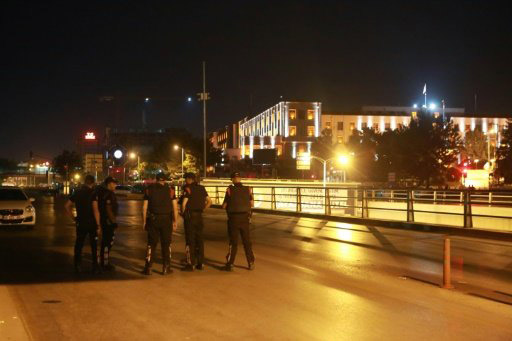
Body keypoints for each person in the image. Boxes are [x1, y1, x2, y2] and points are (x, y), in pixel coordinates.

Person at [142, 173, 179, 275]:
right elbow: (175, 208)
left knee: (151, 244)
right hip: (166, 220)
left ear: (156, 179)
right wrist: (175, 221)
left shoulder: (149, 189)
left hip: (153, 219)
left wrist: (144, 221)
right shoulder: (170, 190)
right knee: (166, 244)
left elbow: (144, 207)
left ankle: (148, 268)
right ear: (165, 180)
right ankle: (166, 267)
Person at [64, 175, 101, 274]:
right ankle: (95, 267)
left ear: (85, 182)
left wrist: (73, 218)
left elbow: (67, 206)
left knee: (79, 244)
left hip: (80, 222)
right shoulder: (93, 193)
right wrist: (98, 225)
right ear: (93, 183)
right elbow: (95, 209)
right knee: (94, 245)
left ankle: (77, 265)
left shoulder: (77, 192)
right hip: (92, 223)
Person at [221, 172, 255, 271]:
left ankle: (230, 263)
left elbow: (224, 205)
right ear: (240, 179)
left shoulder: (229, 190)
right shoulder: (248, 189)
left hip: (233, 219)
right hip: (245, 218)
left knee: (233, 242)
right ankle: (251, 262)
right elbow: (252, 204)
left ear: (232, 179)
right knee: (247, 242)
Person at [181, 172, 211, 271]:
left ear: (190, 179)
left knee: (190, 240)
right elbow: (209, 201)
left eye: (186, 179)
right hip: (199, 216)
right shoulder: (202, 188)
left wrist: (182, 213)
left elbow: (184, 203)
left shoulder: (187, 188)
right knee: (200, 240)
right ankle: (201, 263)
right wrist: (203, 209)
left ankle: (191, 264)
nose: (185, 180)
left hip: (190, 217)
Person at [93, 176, 119, 271]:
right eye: (114, 183)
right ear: (109, 183)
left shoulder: (100, 192)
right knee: (108, 242)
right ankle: (105, 263)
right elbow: (108, 209)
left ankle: (102, 261)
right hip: (108, 221)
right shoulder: (108, 194)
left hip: (102, 220)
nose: (115, 185)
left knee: (105, 242)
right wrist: (114, 222)